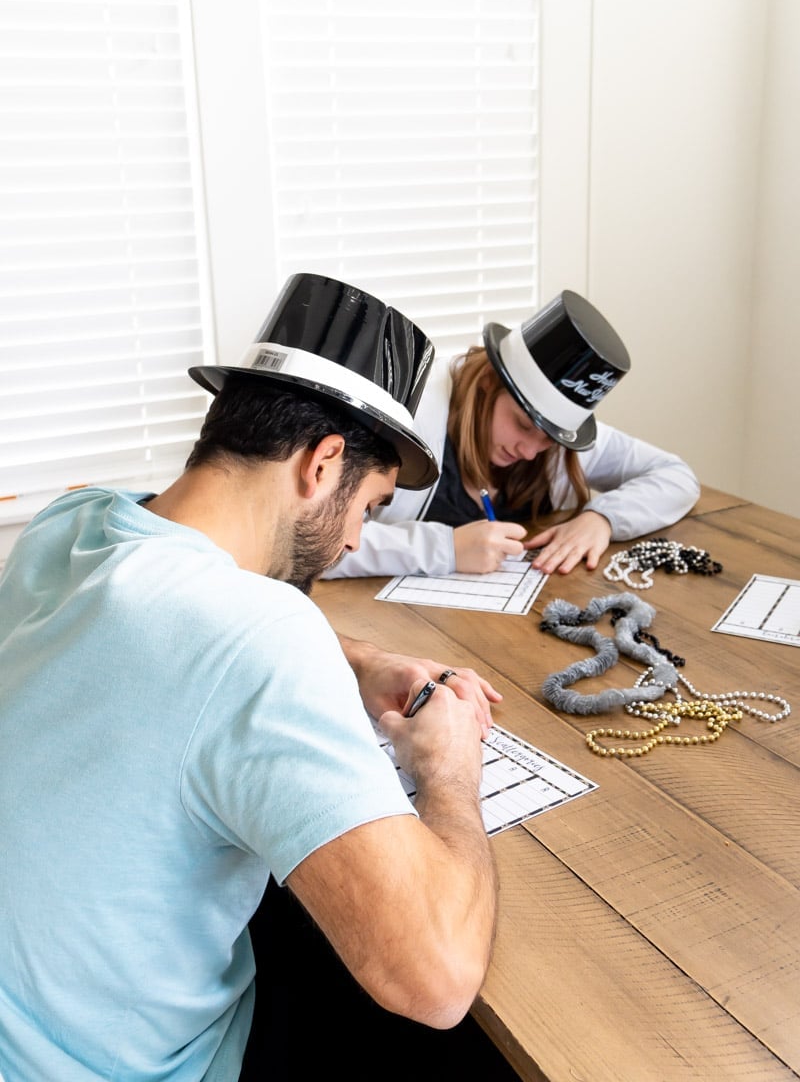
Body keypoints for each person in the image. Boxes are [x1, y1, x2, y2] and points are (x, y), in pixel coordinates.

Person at [0, 274, 500, 1082]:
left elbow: (197, 606)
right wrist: (449, 772)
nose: (352, 544)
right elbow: (435, 979)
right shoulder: (260, 637)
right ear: (323, 462)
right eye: (368, 508)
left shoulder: (73, 527)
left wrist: (363, 661)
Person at [325, 289, 700, 581]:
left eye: (549, 438)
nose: (530, 450)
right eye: (522, 424)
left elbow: (676, 477)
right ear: (489, 381)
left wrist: (602, 519)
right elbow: (317, 541)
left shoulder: (558, 442)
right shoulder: (406, 417)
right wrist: (446, 548)